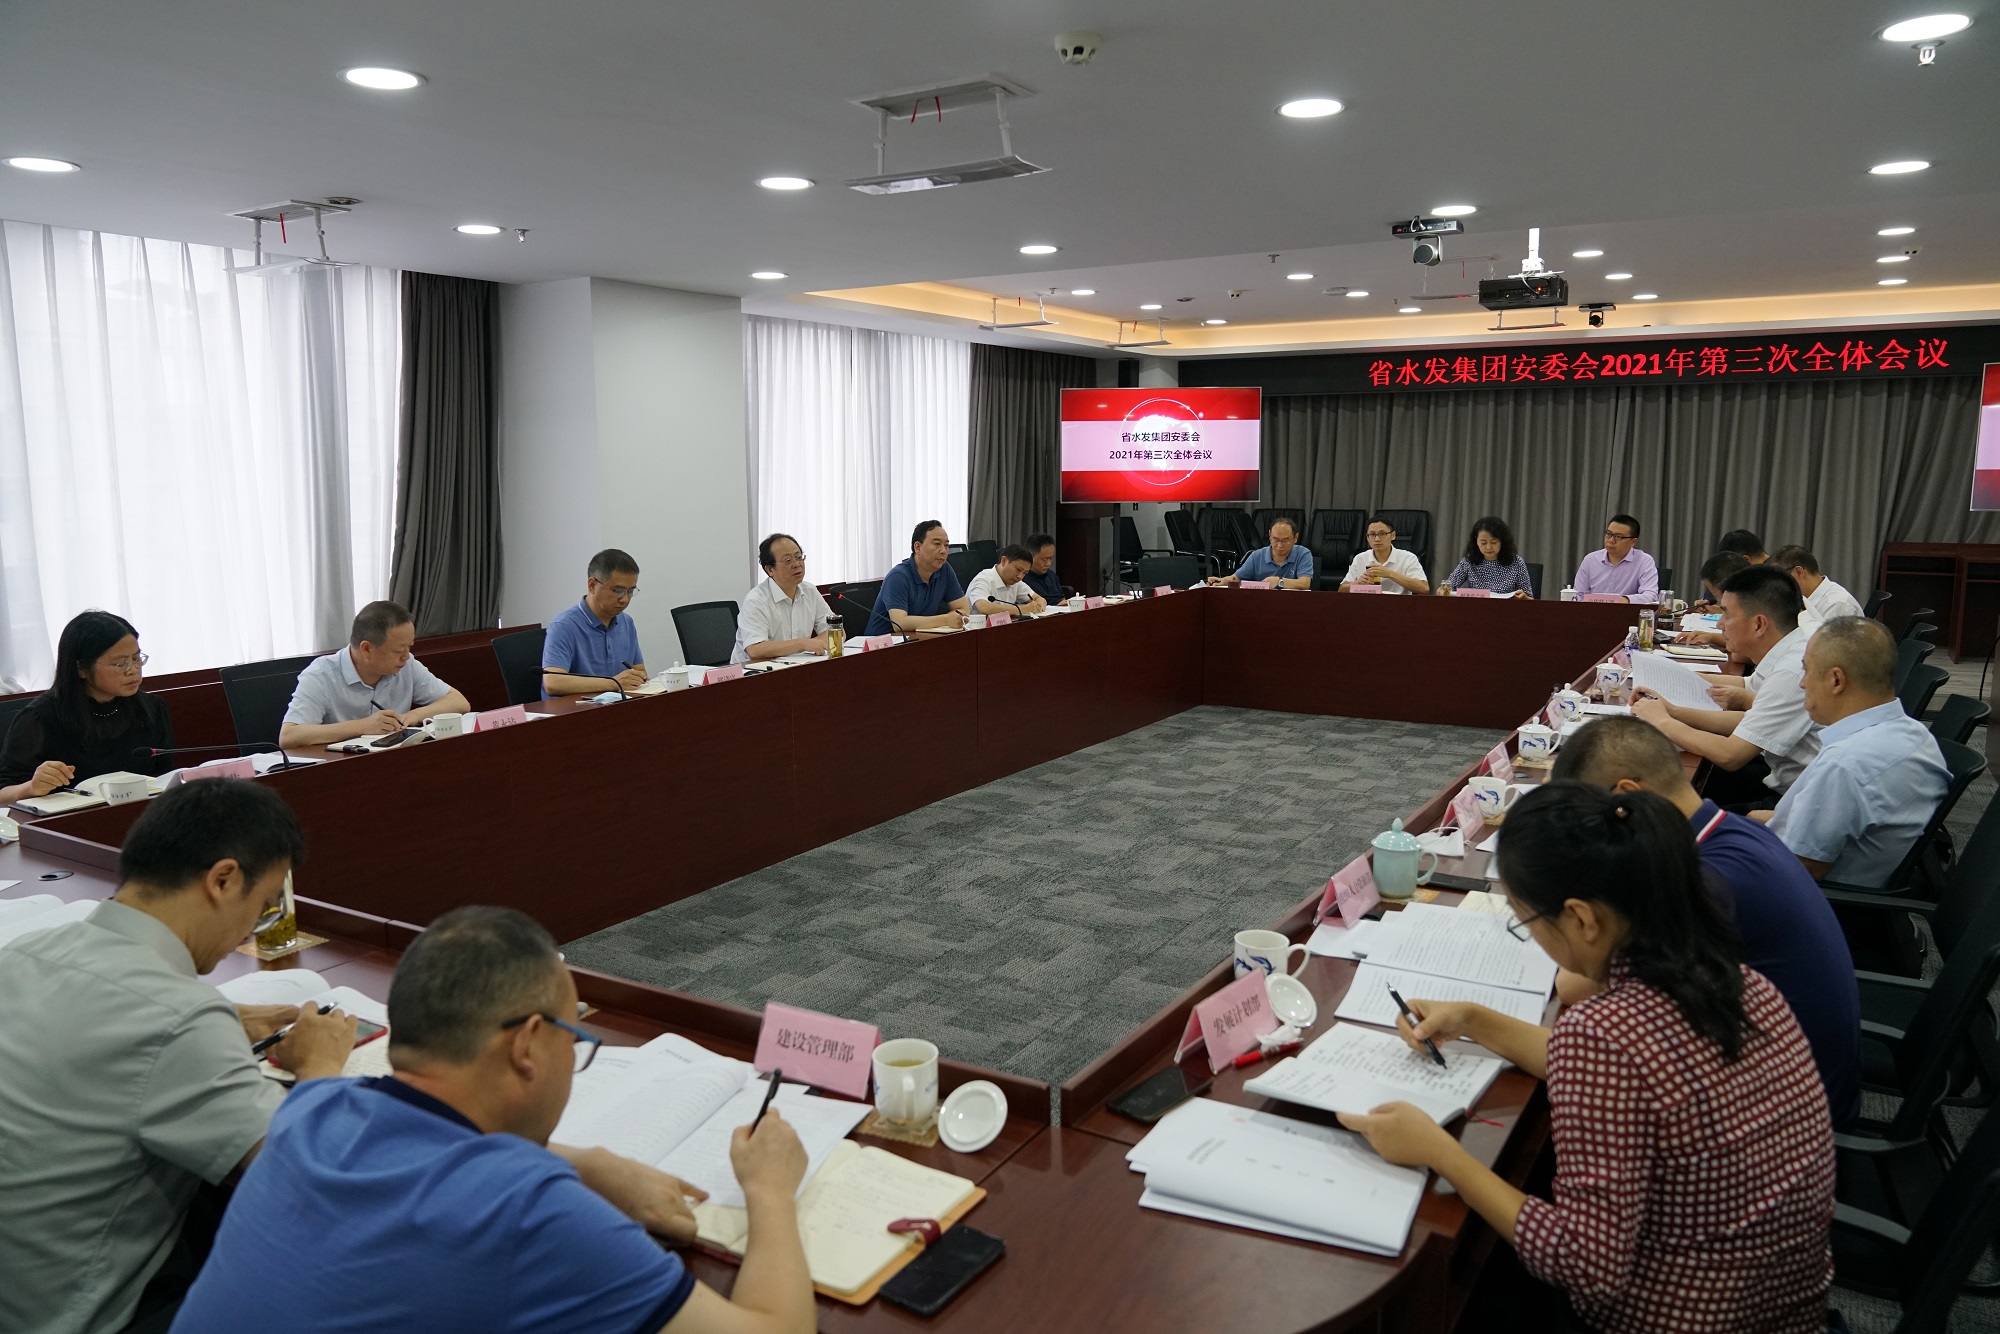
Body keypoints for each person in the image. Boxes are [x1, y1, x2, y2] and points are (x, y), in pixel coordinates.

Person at [169, 906, 815, 1334]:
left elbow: (361, 1111)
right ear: (527, 1044)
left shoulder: (312, 1111)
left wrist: (588, 1163)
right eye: (574, 1039)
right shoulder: (529, 1210)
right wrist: (769, 1190)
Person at [1338, 783, 1835, 1333]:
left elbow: (1586, 1266)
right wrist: (1473, 1019)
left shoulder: (1602, 1034)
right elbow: (1624, 1072)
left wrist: (1440, 1152)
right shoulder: (1743, 984)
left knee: (1460, 1279)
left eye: (1528, 922)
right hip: (1784, 1310)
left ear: (1583, 919)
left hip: (1676, 1318)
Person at [0, 779, 358, 1334]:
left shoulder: (24, 954)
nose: (252, 927)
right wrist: (319, 1068)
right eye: (262, 906)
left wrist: (211, 1025)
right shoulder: (178, 1017)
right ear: (223, 880)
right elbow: (310, 1177)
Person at [1553, 717, 1861, 1128]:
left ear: (1626, 797)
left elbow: (1575, 985)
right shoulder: (1731, 829)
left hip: (1786, 1117)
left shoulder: (1704, 880)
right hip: (1794, 1071)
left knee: (1582, 1070)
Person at [1758, 616, 1950, 887]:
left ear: (1836, 680)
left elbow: (1802, 866)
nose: (1802, 683)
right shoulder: (1916, 734)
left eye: (1806, 670)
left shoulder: (1845, 764)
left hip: (1816, 897)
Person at [1632, 565, 1821, 805]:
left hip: (1795, 799)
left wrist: (1662, 721)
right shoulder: (1789, 647)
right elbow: (1749, 714)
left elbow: (1730, 755)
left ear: (1759, 624)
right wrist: (1673, 710)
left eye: (1727, 615)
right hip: (1780, 776)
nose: (1719, 625)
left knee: (1667, 795)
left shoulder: (1791, 670)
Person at [0, 610, 176, 805]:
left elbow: (164, 777)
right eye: (120, 664)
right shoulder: (39, 718)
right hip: (69, 819)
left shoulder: (152, 708)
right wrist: (31, 787)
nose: (133, 670)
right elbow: (3, 793)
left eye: (136, 659)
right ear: (81, 668)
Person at [278, 602, 471, 750]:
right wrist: (363, 726)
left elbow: (459, 702)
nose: (406, 656)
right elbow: (289, 736)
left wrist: (412, 716)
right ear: (367, 649)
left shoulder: (407, 665)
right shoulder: (321, 675)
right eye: (398, 650)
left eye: (410, 647)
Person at [542, 549, 648, 696]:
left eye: (630, 591)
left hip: (616, 705)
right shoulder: (564, 626)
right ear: (592, 585)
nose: (625, 599)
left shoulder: (626, 622)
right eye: (618, 590)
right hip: (576, 708)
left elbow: (639, 671)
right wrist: (614, 683)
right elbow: (553, 682)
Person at [732, 534, 835, 664]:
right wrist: (802, 644)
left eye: (799, 557)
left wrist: (813, 644)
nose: (797, 564)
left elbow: (836, 631)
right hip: (754, 671)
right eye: (787, 561)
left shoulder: (810, 591)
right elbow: (755, 649)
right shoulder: (755, 601)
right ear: (770, 569)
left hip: (796, 666)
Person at [865, 520, 968, 636]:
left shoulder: (944, 570)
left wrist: (956, 618)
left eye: (946, 545)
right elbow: (900, 623)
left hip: (919, 638)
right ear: (918, 547)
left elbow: (963, 609)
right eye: (937, 544)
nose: (944, 551)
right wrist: (946, 620)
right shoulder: (898, 577)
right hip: (882, 642)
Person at [1769, 544, 1864, 632]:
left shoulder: (1837, 605)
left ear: (1799, 572)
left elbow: (1825, 644)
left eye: (1779, 578)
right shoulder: (1800, 600)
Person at [1570, 513, 1658, 602]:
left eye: (1618, 537)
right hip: (1593, 610)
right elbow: (1578, 595)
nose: (1611, 540)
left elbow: (1651, 595)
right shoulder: (1590, 560)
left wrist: (1622, 601)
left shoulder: (1644, 561)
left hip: (1627, 610)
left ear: (1633, 542)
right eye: (1608, 534)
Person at [1437, 516, 1534, 598]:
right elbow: (1447, 587)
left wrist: (1524, 598)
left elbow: (1530, 599)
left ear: (1502, 541)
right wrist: (1442, 591)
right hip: (1475, 610)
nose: (1488, 547)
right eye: (1483, 543)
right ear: (1476, 542)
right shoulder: (1469, 561)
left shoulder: (1516, 562)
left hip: (1506, 611)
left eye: (1493, 542)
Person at [1210, 515, 1314, 588]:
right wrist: (1222, 581)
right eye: (1275, 539)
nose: (1279, 545)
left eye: (1285, 540)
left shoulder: (1303, 554)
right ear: (1269, 535)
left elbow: (1305, 584)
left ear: (1295, 538)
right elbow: (1236, 578)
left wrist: (1279, 581)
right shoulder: (1257, 556)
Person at [1672, 550, 1751, 646]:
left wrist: (1711, 637)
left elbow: (1740, 646)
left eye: (1716, 595)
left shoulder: (1752, 612)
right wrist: (1717, 610)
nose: (1719, 625)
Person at [1338, 517, 1428, 594]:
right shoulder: (1360, 558)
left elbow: (1424, 589)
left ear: (1393, 535)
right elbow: (1341, 590)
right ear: (1367, 537)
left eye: (1382, 534)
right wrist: (1357, 583)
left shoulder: (1408, 558)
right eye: (1372, 534)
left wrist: (1389, 574)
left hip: (1398, 605)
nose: (1377, 539)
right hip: (1367, 604)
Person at [966, 544, 1050, 615]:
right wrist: (1023, 609)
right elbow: (984, 608)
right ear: (1004, 561)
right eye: (1018, 569)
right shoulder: (983, 579)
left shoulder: (1016, 582)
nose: (1020, 577)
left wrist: (1039, 605)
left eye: (1025, 573)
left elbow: (1039, 599)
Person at [1021, 533, 1065, 604]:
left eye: (1051, 558)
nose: (1048, 564)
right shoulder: (1021, 578)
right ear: (1030, 557)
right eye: (1044, 559)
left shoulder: (1051, 575)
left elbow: (1061, 598)